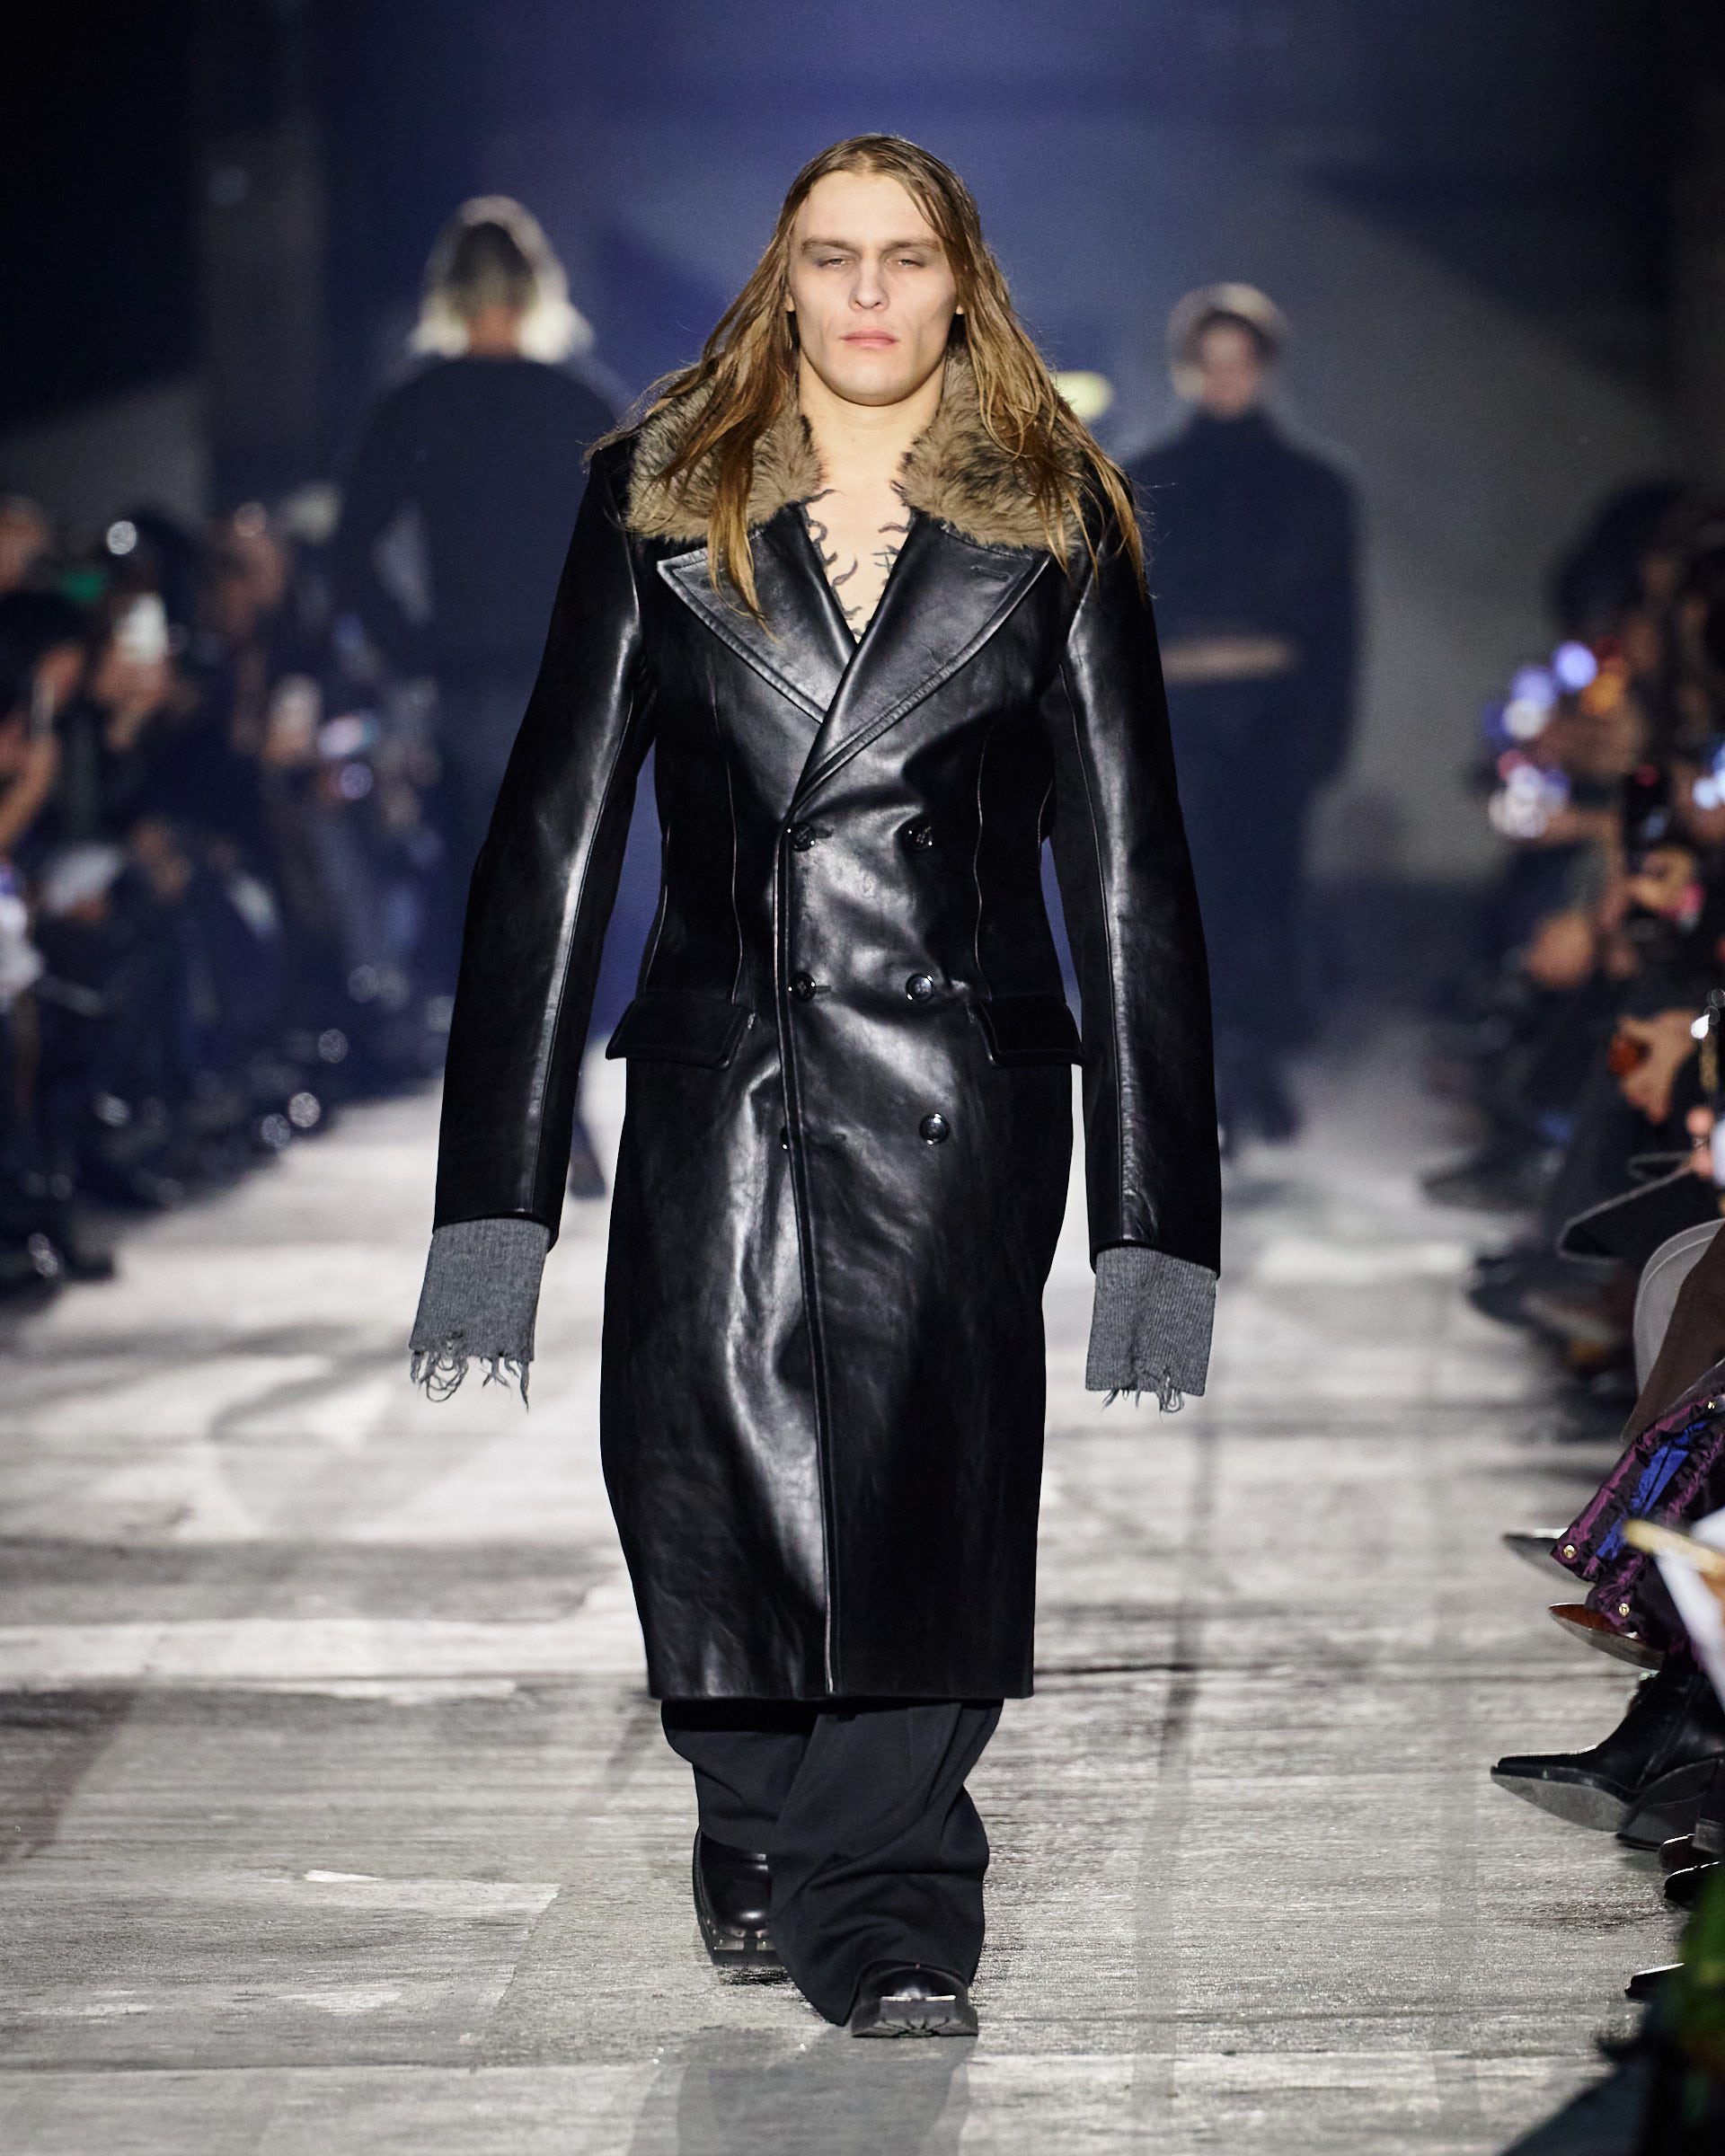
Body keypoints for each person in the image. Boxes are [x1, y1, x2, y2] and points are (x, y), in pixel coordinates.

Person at [408, 134, 1220, 2038]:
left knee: (932, 1483)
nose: (867, 292)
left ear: (962, 284)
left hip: (959, 1084)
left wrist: (1155, 1227)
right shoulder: (658, 493)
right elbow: (553, 841)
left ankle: (896, 1903)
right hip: (725, 1066)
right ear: (781, 279)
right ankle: (755, 1803)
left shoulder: (1058, 515)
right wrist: (494, 1204)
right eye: (831, 255)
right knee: (705, 1466)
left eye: (904, 257)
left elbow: (1128, 874)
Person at [331, 197, 618, 1188]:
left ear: (445, 293)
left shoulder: (416, 404)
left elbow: (350, 551)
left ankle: (509, 1126)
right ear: (539, 288)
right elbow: (641, 545)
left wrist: (412, 649)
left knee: (486, 906)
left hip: (462, 689)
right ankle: (559, 1111)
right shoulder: (578, 401)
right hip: (567, 686)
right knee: (562, 900)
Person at [1124, 285, 1358, 1148]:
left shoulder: (1315, 488)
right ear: (1187, 369)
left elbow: (1336, 624)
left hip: (1274, 726)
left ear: (1265, 368)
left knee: (1266, 893)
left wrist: (1325, 734)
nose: (1226, 376)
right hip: (1179, 726)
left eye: (1241, 360)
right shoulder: (1143, 480)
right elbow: (1120, 618)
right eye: (1211, 360)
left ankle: (1252, 1064)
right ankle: (1214, 1074)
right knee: (1189, 900)